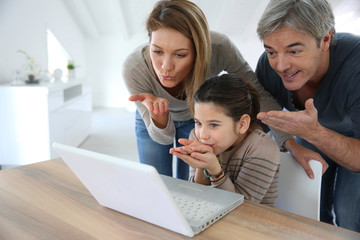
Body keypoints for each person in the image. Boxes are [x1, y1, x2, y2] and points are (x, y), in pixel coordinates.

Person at [123, 0, 280, 180]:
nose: (166, 67)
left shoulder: (219, 48)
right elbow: (164, 139)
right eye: (157, 51)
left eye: (180, 54)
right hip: (153, 120)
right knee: (155, 182)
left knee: (189, 186)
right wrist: (159, 118)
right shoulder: (134, 68)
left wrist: (287, 140)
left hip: (195, 119)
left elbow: (258, 91)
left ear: (199, 51)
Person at [255, 0, 360, 231]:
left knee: (349, 214)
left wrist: (313, 133)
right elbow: (259, 114)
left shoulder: (356, 67)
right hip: (307, 130)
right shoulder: (267, 66)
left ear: (325, 39)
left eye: (294, 51)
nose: (280, 65)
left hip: (354, 138)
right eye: (271, 51)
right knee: (306, 207)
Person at [170, 74, 280, 206]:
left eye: (214, 125)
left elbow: (243, 208)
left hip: (252, 222)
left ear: (242, 124)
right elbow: (196, 198)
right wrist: (202, 164)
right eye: (198, 123)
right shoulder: (197, 136)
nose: (202, 135)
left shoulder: (263, 148)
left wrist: (214, 169)